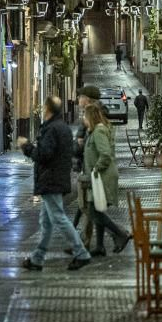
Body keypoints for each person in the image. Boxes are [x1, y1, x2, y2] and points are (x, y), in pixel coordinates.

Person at [17, 95, 91, 271]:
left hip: (50, 179)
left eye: (44, 107)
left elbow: (43, 155)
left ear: (48, 109)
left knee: (58, 217)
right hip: (56, 178)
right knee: (46, 221)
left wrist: (26, 146)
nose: (42, 110)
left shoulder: (51, 129)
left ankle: (81, 253)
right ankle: (37, 258)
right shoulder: (63, 127)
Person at [81, 103, 132, 256]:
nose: (83, 119)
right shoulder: (94, 131)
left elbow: (105, 154)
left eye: (84, 116)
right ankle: (100, 246)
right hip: (99, 177)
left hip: (102, 177)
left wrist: (96, 169)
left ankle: (120, 234)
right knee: (97, 209)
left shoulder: (98, 132)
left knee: (93, 212)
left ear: (90, 117)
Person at [71, 85, 101, 251]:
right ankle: (84, 242)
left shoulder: (93, 116)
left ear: (87, 99)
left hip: (91, 170)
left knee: (89, 208)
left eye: (80, 96)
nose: (78, 99)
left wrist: (79, 144)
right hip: (87, 168)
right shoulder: (88, 115)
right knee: (87, 207)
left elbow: (98, 148)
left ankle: (119, 234)